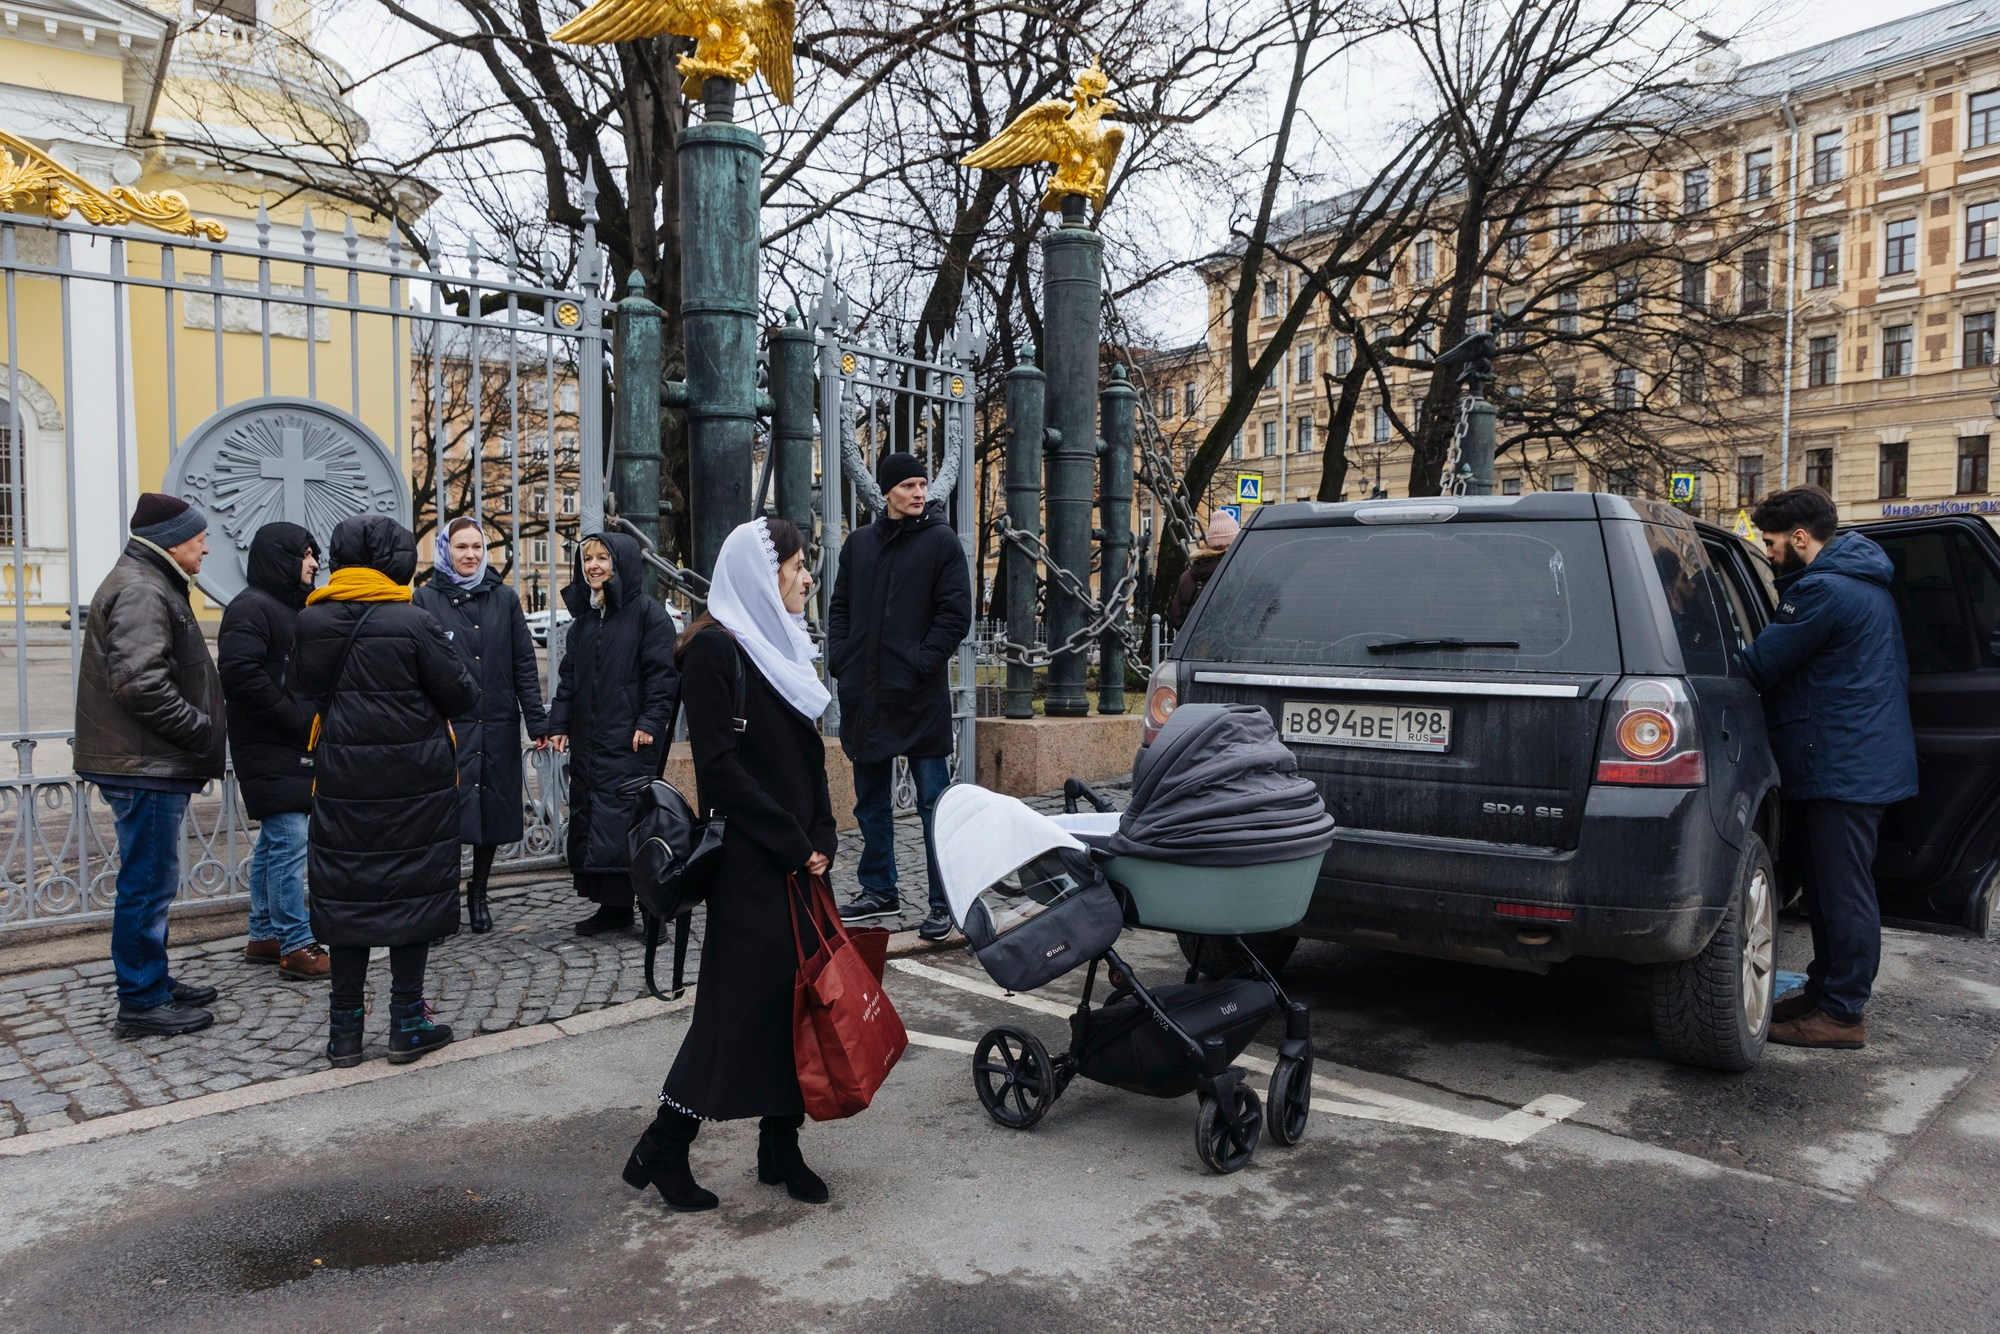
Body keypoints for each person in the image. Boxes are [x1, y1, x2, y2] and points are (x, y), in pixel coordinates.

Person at [626, 517, 838, 1212]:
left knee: (794, 1001)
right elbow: (720, 770)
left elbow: (806, 755)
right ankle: (663, 1144)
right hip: (753, 860)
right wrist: (792, 841)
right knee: (733, 1010)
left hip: (799, 859)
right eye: (797, 566)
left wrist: (823, 832)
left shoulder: (783, 642)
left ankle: (780, 1146)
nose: (807, 577)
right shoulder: (715, 650)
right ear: (761, 574)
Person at [295, 515, 478, 1067]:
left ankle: (344, 1033)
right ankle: (407, 1023)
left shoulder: (312, 619)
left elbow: (300, 688)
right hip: (413, 785)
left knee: (348, 897)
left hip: (343, 782)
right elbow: (462, 694)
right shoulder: (413, 621)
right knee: (409, 895)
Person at [1740, 486, 1917, 1051]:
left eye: (1771, 543)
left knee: (1843, 892)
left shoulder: (1823, 590)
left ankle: (1842, 1014)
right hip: (1852, 758)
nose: (1769, 553)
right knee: (1825, 888)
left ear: (1800, 537)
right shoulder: (1860, 583)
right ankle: (1824, 992)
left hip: (1843, 764)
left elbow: (1760, 664)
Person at [75, 493, 228, 1038]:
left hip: (146, 761)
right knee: (147, 884)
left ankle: (152, 979)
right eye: (199, 538)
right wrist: (200, 729)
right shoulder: (143, 587)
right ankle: (141, 999)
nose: (205, 548)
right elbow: (139, 683)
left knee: (152, 880)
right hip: (145, 763)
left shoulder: (150, 579)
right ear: (172, 541)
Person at [827, 452, 972, 942]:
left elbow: (955, 613)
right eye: (908, 485)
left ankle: (943, 901)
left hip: (918, 695)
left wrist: (920, 662)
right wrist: (842, 659)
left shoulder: (941, 541)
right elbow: (840, 607)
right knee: (870, 803)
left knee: (934, 805)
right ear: (887, 491)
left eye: (922, 484)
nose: (918, 493)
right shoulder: (860, 545)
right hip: (866, 693)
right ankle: (878, 889)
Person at [414, 516, 551, 933]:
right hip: (448, 727)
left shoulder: (504, 598)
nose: (470, 555)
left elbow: (523, 663)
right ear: (446, 550)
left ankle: (479, 893)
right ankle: (442, 900)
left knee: (490, 813)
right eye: (462, 547)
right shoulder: (425, 599)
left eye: (477, 547)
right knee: (444, 814)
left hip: (496, 723)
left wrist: (537, 721)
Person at [546, 532, 678, 936]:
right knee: (597, 822)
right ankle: (614, 908)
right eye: (588, 559)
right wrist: (559, 723)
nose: (594, 566)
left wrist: (649, 723)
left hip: (630, 740)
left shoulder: (649, 616)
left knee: (634, 825)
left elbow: (662, 678)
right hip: (591, 741)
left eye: (603, 558)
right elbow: (569, 679)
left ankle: (653, 911)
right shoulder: (585, 622)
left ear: (621, 564)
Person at [217, 522, 329, 980]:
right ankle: (296, 943)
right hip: (269, 742)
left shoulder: (290, 607)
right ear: (281, 558)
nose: (314, 563)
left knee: (276, 840)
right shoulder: (251, 607)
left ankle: (264, 934)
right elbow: (240, 675)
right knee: (289, 839)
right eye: (306, 554)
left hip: (288, 743)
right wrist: (297, 720)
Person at [1167, 510, 1239, 631]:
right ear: (1234, 543)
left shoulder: (1186, 577)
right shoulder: (1234, 572)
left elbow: (1176, 618)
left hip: (1194, 641)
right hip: (1225, 640)